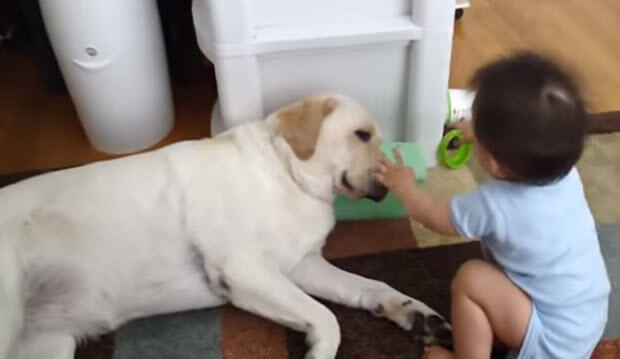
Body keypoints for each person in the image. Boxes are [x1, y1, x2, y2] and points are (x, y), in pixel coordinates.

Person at [375, 52, 610, 359]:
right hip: (585, 320)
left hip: (551, 342)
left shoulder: (495, 204)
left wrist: (404, 187)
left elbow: (435, 217)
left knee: (472, 279)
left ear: (496, 163)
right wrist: (483, 131)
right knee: (498, 276)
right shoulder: (564, 173)